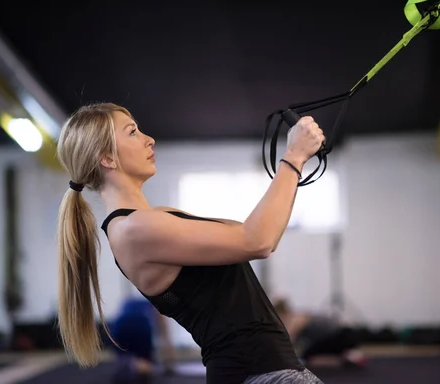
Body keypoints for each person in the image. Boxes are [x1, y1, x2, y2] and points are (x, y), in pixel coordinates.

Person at [55, 102, 326, 384]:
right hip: (259, 372)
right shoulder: (133, 229)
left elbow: (260, 231)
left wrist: (297, 160)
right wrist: (294, 156)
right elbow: (259, 241)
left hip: (262, 371)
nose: (149, 139)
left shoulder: (157, 219)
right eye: (133, 132)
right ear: (107, 159)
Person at [273, 298, 367, 368]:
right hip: (344, 335)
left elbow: (288, 340)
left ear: (281, 312)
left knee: (307, 356)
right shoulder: (299, 316)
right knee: (309, 354)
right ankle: (348, 357)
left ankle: (345, 357)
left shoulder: (295, 318)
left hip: (345, 334)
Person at [107, 296, 175, 383]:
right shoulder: (156, 304)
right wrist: (169, 361)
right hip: (141, 325)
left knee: (124, 355)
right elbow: (165, 335)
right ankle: (141, 367)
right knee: (144, 362)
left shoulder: (129, 301)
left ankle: (130, 366)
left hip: (119, 325)